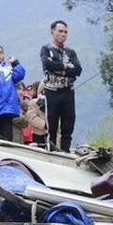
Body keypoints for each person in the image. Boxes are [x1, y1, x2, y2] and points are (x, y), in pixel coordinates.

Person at [39, 20, 82, 151]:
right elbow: (47, 65)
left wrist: (59, 69)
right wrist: (65, 66)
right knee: (51, 124)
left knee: (68, 122)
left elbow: (77, 70)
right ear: (53, 32)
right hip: (51, 91)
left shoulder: (70, 52)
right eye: (60, 31)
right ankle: (50, 149)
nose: (63, 34)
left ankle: (65, 150)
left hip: (68, 91)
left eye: (65, 32)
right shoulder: (46, 49)